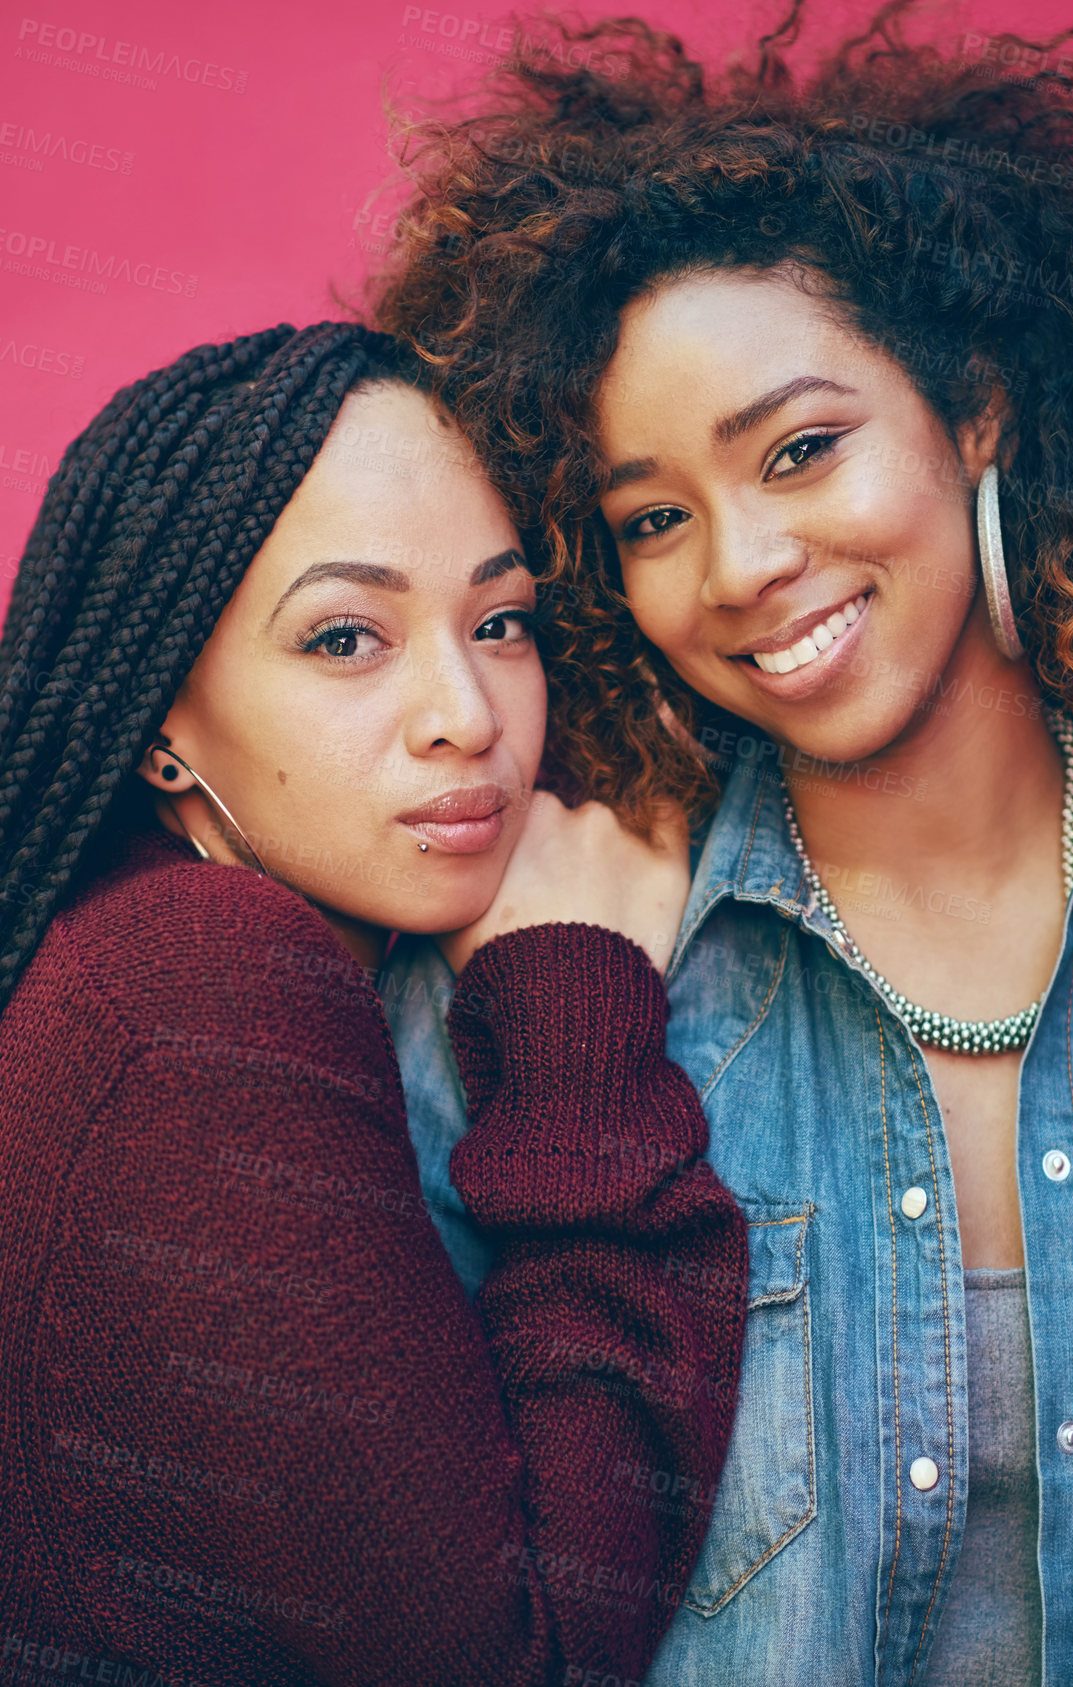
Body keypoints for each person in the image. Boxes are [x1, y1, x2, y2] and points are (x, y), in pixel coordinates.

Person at [372, 6, 1073, 1682]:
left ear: (974, 411)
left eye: (800, 450)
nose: (737, 565)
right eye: (652, 518)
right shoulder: (553, 995)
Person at [0, 321, 748, 1687]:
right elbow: (524, 1660)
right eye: (346, 638)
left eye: (498, 622)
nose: (463, 714)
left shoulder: (123, 946)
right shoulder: (192, 987)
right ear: (162, 717)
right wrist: (574, 1003)